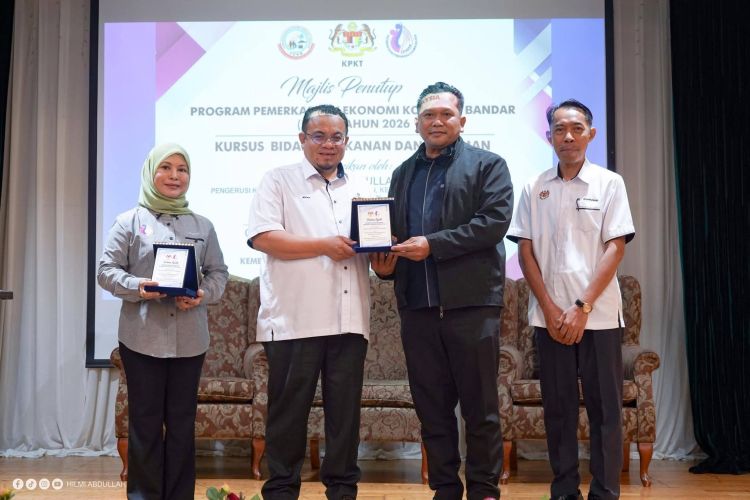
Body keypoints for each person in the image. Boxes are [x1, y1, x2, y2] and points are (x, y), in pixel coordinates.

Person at [370, 82, 513, 500]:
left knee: (481, 409)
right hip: (418, 307)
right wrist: (384, 267)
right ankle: (445, 489)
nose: (437, 121)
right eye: (428, 115)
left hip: (472, 305)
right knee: (432, 409)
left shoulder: (488, 165)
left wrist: (433, 244)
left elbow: (493, 223)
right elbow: (395, 236)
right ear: (416, 123)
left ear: (461, 121)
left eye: (446, 114)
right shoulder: (402, 173)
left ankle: (484, 490)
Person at [248, 104, 390, 500]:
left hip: (349, 320)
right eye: (319, 136)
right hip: (294, 320)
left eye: (336, 137)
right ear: (302, 139)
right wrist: (324, 246)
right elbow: (263, 238)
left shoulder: (362, 187)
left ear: (347, 141)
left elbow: (373, 249)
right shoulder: (278, 180)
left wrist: (386, 258)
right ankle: (281, 490)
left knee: (345, 417)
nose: (328, 144)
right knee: (288, 414)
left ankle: (343, 490)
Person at [507, 99, 635, 500]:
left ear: (591, 134)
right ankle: (563, 490)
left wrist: (582, 307)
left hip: (598, 317)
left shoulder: (609, 183)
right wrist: (549, 307)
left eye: (576, 128)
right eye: (560, 129)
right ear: (549, 137)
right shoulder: (534, 187)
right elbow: (525, 251)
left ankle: (605, 491)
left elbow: (615, 248)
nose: (568, 136)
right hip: (549, 319)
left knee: (605, 409)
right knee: (558, 408)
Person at [98, 143, 229, 499]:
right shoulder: (128, 222)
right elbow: (106, 271)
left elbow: (218, 272)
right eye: (166, 168)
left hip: (190, 341)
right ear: (150, 173)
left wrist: (202, 294)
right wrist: (138, 286)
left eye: (182, 169)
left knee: (183, 423)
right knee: (145, 422)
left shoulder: (203, 225)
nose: (174, 176)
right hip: (142, 340)